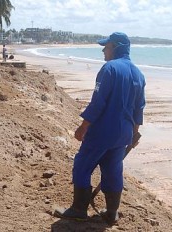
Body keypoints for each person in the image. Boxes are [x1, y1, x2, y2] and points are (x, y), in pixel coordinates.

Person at [55, 32, 146, 225]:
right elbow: (139, 108)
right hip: (124, 133)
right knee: (113, 169)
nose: (104, 50)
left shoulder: (109, 69)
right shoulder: (138, 73)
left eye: (107, 46)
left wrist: (83, 127)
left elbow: (98, 103)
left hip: (103, 130)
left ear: (116, 47)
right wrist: (135, 132)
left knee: (82, 165)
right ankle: (112, 212)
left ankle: (79, 209)